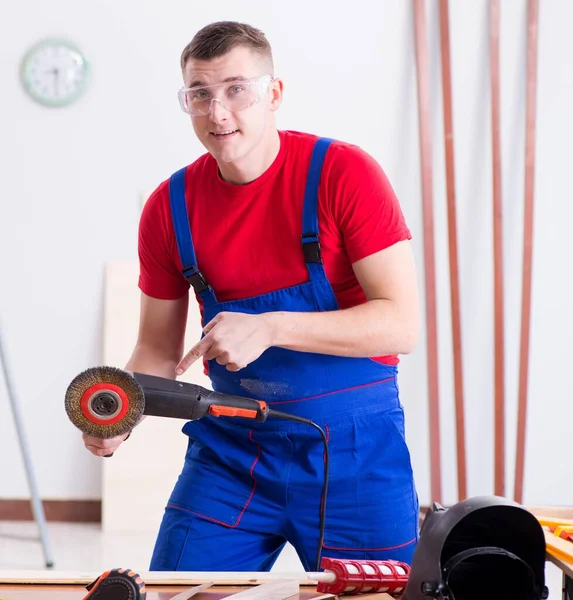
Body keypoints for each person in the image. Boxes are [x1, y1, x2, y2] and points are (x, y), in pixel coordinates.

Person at [82, 20, 421, 573]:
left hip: (355, 453)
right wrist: (123, 410)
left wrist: (271, 326)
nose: (218, 113)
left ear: (274, 93)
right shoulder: (170, 208)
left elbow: (400, 324)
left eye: (237, 89)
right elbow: (156, 351)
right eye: (200, 94)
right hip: (232, 449)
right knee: (176, 588)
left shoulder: (344, 174)